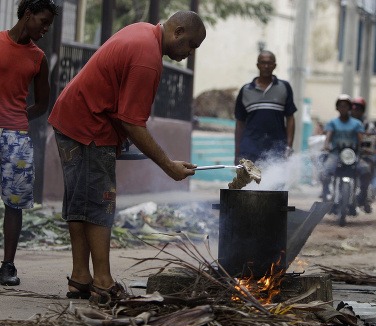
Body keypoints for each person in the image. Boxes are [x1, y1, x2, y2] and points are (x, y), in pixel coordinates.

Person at [48, 11, 206, 304]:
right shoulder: (148, 59)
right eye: (191, 45)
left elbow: (121, 108)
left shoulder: (143, 31)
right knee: (100, 203)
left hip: (72, 120)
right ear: (178, 31)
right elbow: (133, 122)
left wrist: (124, 142)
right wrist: (168, 165)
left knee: (79, 201)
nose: (190, 53)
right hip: (88, 127)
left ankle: (81, 277)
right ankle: (103, 282)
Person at [0, 0, 58, 286]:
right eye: (43, 21)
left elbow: (42, 104)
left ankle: (7, 266)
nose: (45, 29)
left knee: (15, 204)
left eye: (49, 24)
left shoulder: (38, 58)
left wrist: (18, 117)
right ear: (27, 14)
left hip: (16, 137)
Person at [234, 50, 296, 165]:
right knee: (251, 182)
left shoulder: (284, 87)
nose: (266, 66)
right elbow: (240, 123)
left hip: (277, 148)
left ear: (275, 66)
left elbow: (290, 118)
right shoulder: (246, 90)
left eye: (269, 63)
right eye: (263, 63)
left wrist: (289, 146)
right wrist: (237, 153)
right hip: (250, 148)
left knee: (276, 182)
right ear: (258, 65)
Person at [320, 94, 371, 211]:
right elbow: (328, 136)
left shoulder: (357, 124)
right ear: (337, 108)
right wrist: (326, 146)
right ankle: (325, 194)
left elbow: (360, 139)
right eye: (341, 106)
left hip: (352, 154)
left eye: (346, 106)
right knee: (326, 171)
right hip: (336, 153)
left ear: (350, 108)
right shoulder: (332, 123)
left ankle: (363, 195)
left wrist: (363, 148)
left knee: (365, 169)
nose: (343, 108)